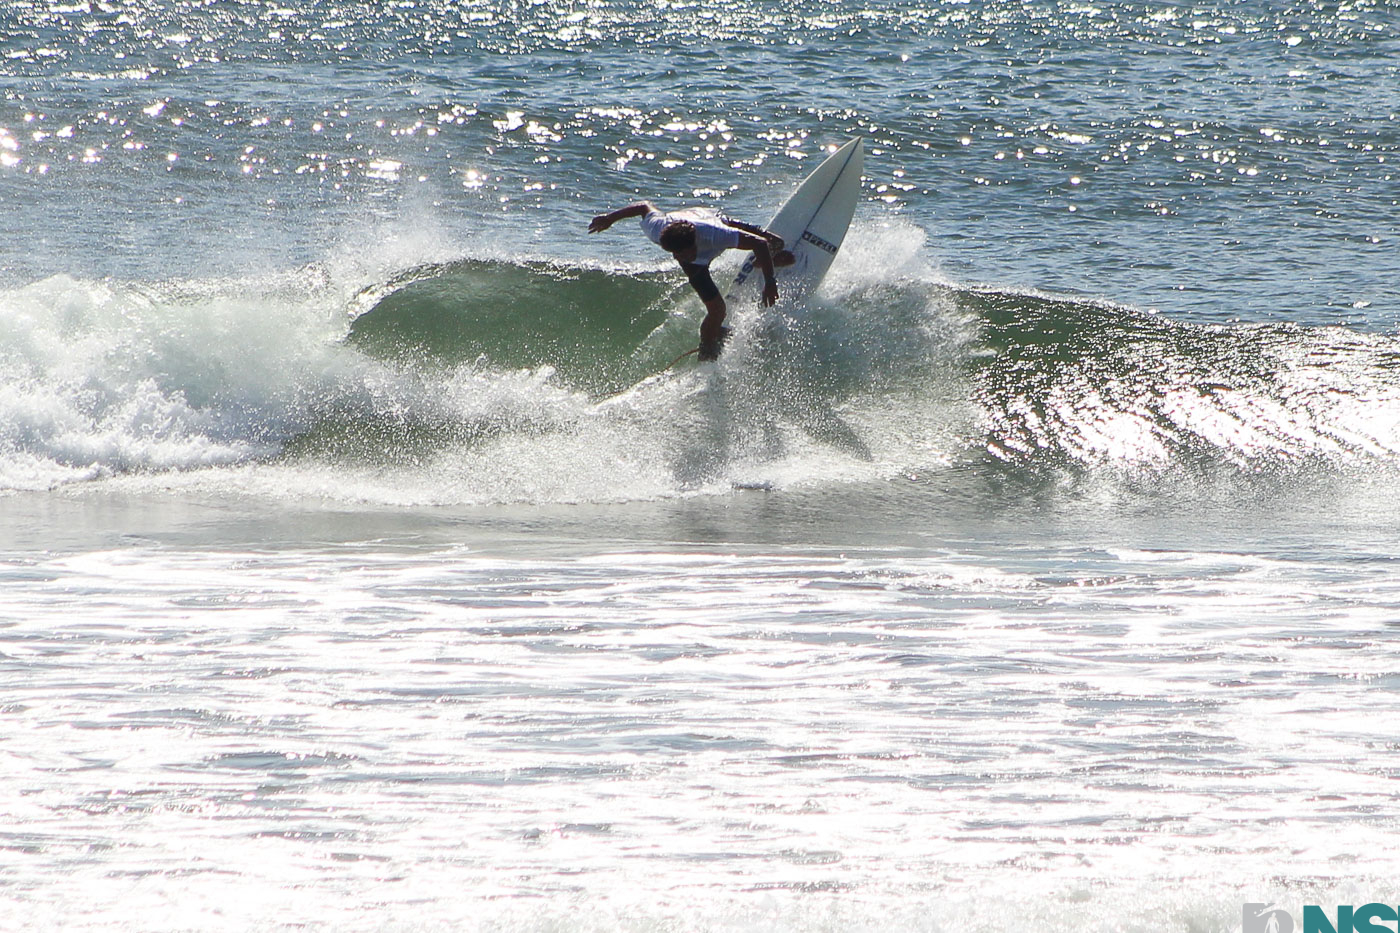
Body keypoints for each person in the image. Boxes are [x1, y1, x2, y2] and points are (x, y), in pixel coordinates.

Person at [589, 202, 794, 361]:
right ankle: (707, 350)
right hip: (694, 248)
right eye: (674, 254)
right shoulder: (658, 230)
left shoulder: (717, 235)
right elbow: (643, 206)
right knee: (717, 311)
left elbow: (759, 243)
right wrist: (610, 218)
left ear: (695, 243)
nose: (678, 259)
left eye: (683, 254)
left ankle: (763, 262)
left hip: (714, 219)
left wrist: (770, 281)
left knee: (775, 243)